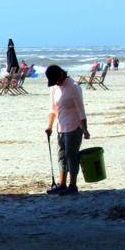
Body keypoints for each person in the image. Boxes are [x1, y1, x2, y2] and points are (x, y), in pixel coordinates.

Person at [44, 65, 90, 196]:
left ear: (61, 74)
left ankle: (73, 185)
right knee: (61, 156)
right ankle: (62, 184)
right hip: (61, 126)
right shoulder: (54, 88)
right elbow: (53, 109)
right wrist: (49, 126)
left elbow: (80, 110)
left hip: (75, 126)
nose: (56, 83)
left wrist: (85, 129)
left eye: (56, 80)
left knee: (71, 155)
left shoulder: (74, 87)